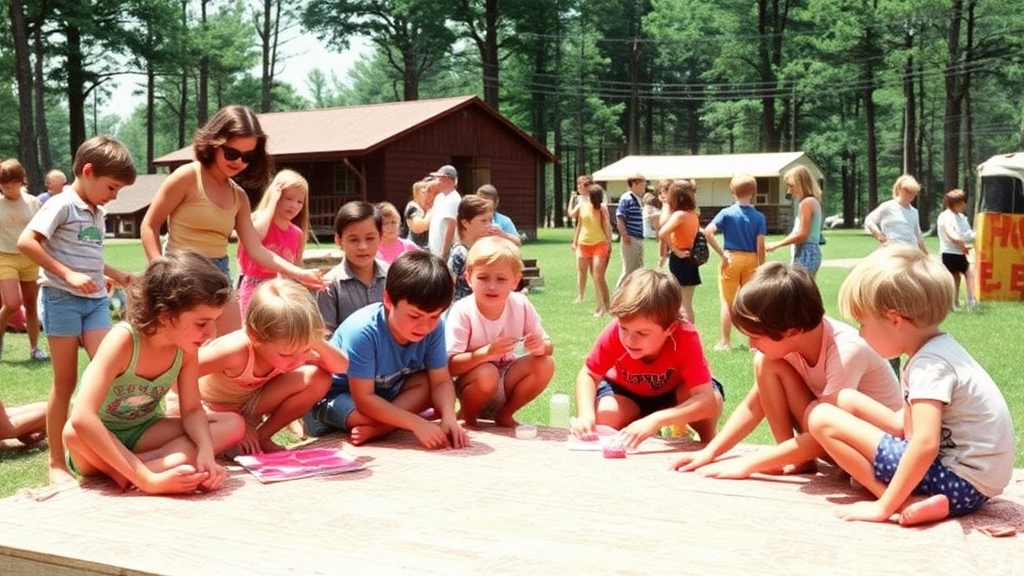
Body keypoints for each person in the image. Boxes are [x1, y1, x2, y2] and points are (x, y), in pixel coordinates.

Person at [806, 246, 1014, 526]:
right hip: (975, 487)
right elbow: (905, 428)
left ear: (894, 319)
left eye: (862, 323)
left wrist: (883, 507)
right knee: (841, 411)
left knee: (821, 419)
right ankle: (911, 497)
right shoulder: (935, 352)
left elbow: (924, 444)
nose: (860, 333)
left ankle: (901, 501)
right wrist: (849, 401)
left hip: (956, 483)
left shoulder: (930, 366)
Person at [670, 262, 902, 478]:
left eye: (755, 336)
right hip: (833, 440)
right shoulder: (789, 344)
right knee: (766, 362)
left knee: (768, 363)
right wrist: (709, 453)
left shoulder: (845, 351)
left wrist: (750, 464)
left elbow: (825, 431)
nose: (750, 344)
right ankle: (794, 458)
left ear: (792, 331)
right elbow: (753, 407)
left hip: (877, 451)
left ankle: (793, 458)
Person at [62, 250, 245, 494]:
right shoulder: (123, 340)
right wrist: (148, 481)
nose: (211, 333)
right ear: (165, 316)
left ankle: (129, 472)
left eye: (215, 321)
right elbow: (84, 417)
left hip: (145, 432)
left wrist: (205, 453)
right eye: (202, 323)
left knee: (232, 424)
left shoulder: (186, 349)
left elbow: (191, 410)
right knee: (73, 432)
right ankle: (145, 473)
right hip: (98, 443)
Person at [140, 104, 325, 336]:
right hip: (180, 272)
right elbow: (149, 225)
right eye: (231, 153)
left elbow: (256, 249)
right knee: (181, 350)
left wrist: (299, 273)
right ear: (214, 143)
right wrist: (160, 268)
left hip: (219, 274)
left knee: (231, 347)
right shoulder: (188, 176)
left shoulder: (239, 197)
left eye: (248, 156)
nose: (238, 161)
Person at [18, 136, 137, 484]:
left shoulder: (97, 211)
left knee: (110, 370)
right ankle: (56, 462)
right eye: (112, 187)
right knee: (66, 381)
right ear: (88, 172)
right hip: (61, 300)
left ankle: (109, 447)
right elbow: (27, 242)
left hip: (96, 300)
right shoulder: (62, 204)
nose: (113, 196)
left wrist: (117, 274)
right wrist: (67, 274)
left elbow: (91, 256)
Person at [305, 250, 469, 450]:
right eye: (415, 316)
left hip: (388, 395)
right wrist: (415, 423)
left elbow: (441, 380)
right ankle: (390, 422)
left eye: (434, 316)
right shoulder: (363, 331)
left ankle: (381, 428)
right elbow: (364, 400)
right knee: (365, 417)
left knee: (428, 383)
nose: (425, 327)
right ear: (389, 300)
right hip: (342, 396)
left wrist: (449, 417)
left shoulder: (435, 327)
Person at [571, 268, 723, 450]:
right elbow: (589, 373)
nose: (629, 339)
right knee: (605, 416)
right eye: (623, 328)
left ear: (670, 329)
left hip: (675, 394)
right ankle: (634, 434)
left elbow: (706, 402)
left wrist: (656, 420)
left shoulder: (685, 337)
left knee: (709, 401)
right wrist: (586, 415)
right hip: (626, 394)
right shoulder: (613, 332)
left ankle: (708, 444)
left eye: (642, 333)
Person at [198, 279, 348, 454]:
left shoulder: (291, 348)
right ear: (255, 336)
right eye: (286, 354)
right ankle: (237, 435)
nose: (298, 361)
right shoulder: (233, 351)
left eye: (306, 349)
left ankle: (262, 436)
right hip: (211, 408)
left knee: (318, 377)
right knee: (227, 444)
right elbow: (180, 375)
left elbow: (341, 367)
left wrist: (314, 339)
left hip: (247, 407)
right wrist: (215, 414)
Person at [445, 237, 554, 428]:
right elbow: (450, 365)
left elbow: (548, 347)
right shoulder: (463, 310)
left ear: (515, 281)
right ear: (468, 278)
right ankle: (467, 415)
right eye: (483, 277)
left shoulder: (520, 304)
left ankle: (505, 414)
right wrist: (486, 353)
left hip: (507, 380)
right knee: (488, 372)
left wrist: (538, 347)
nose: (492, 286)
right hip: (474, 382)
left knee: (545, 363)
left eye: (501, 279)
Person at [703, 174, 766, 351]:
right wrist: (762, 266)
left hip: (731, 259)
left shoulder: (726, 213)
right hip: (752, 259)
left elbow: (708, 232)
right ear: (753, 192)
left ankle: (725, 342)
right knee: (751, 302)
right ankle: (753, 342)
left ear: (732, 192)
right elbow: (760, 245)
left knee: (727, 302)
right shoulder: (759, 217)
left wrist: (722, 254)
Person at [236, 169, 310, 315]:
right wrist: (271, 204)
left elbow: (293, 267)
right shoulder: (256, 219)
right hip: (253, 288)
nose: (294, 205)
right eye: (288, 198)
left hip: (280, 291)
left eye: (300, 201)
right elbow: (254, 239)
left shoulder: (297, 233)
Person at [0, 158, 48, 362]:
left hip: (30, 258)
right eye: (2, 184)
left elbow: (42, 231)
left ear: (21, 181)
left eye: (11, 183)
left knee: (31, 305)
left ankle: (35, 348)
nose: (7, 188)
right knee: (11, 303)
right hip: (4, 256)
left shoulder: (33, 202)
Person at [316, 201, 388, 334]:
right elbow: (326, 336)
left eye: (370, 238)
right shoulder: (329, 285)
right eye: (354, 240)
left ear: (381, 237)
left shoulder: (393, 277)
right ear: (338, 241)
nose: (363, 246)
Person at [766, 165, 823, 276]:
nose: (789, 191)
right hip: (808, 252)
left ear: (801, 184)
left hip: (806, 252)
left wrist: (777, 244)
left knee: (800, 290)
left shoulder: (807, 203)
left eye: (791, 186)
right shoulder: (810, 201)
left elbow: (802, 235)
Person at [658, 179, 701, 324]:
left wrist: (675, 250)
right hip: (691, 258)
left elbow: (662, 232)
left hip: (680, 258)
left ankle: (683, 332)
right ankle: (691, 332)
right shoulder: (693, 214)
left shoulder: (679, 215)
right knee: (687, 304)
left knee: (680, 303)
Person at [570, 183, 612, 316]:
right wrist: (575, 241)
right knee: (585, 273)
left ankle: (604, 306)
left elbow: (607, 226)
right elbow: (579, 225)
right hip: (583, 244)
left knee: (598, 277)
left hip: (599, 244)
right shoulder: (583, 207)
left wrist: (609, 243)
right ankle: (600, 305)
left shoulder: (602, 208)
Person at [864, 174, 927, 253]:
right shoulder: (888, 206)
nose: (910, 195)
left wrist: (926, 254)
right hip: (891, 250)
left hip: (911, 250)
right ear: (899, 189)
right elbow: (869, 220)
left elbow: (918, 235)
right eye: (907, 191)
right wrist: (879, 236)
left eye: (913, 192)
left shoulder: (914, 212)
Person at [448, 195, 495, 302]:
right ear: (465, 223)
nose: (489, 225)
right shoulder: (460, 252)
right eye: (483, 221)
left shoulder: (485, 248)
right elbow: (449, 285)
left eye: (490, 220)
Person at [936, 189, 977, 311]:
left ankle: (964, 302)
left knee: (965, 275)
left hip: (959, 252)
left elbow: (967, 234)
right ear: (953, 203)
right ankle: (952, 304)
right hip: (949, 252)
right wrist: (962, 245)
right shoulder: (945, 216)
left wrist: (977, 235)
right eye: (962, 202)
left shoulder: (961, 217)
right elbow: (951, 234)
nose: (964, 205)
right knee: (953, 277)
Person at [614, 173, 647, 290]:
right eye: (643, 184)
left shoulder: (637, 199)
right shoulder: (626, 198)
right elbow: (620, 217)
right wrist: (625, 235)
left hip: (637, 237)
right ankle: (618, 294)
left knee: (638, 269)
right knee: (629, 270)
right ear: (634, 184)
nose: (645, 186)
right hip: (631, 238)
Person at [427, 164, 460, 260]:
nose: (436, 181)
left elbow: (451, 226)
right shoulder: (439, 197)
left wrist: (444, 253)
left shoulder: (454, 199)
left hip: (444, 255)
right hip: (434, 252)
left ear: (448, 179)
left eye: (439, 178)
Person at [403, 180, 433, 248]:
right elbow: (418, 227)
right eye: (423, 193)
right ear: (416, 195)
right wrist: (431, 212)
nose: (427, 195)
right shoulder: (413, 207)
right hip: (414, 247)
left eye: (429, 192)